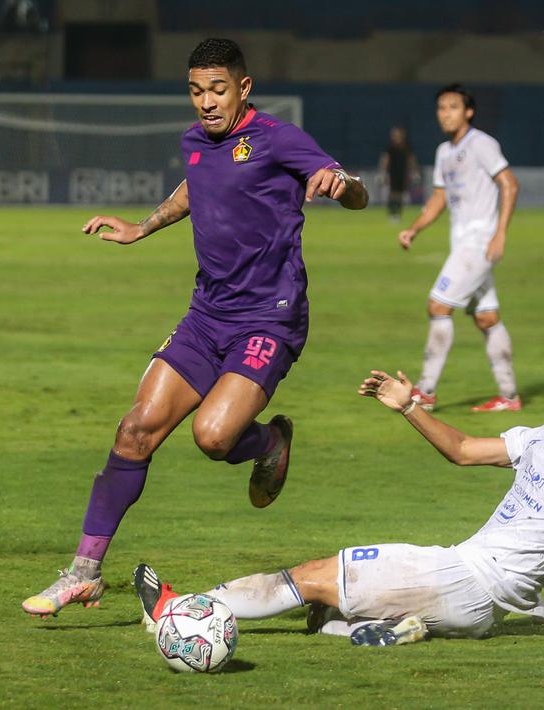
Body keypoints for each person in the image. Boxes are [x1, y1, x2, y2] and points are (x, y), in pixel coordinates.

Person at [21, 38, 368, 618]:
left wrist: (343, 185)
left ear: (243, 88)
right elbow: (195, 186)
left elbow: (351, 189)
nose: (206, 102)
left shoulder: (278, 138)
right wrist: (141, 226)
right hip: (206, 316)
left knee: (213, 437)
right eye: (196, 90)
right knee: (134, 431)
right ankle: (82, 573)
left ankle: (270, 441)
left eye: (218, 89)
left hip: (269, 318)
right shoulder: (195, 143)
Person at [134, 340, 544, 651]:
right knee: (321, 607)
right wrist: (410, 406)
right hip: (467, 582)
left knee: (318, 573)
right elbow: (463, 449)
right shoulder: (539, 440)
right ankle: (379, 628)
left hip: (469, 581)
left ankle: (179, 610)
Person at [398, 84, 522, 413]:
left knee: (438, 306)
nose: (445, 113)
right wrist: (415, 228)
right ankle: (509, 397)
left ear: (468, 111)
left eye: (452, 107)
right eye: (441, 108)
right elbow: (439, 198)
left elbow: (509, 183)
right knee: (486, 317)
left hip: (479, 241)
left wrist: (500, 234)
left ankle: (425, 391)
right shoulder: (443, 152)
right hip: (465, 242)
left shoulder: (481, 143)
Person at [378, 126, 418, 223]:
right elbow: (385, 160)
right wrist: (382, 173)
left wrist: (414, 172)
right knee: (392, 194)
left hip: (402, 173)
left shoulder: (406, 147)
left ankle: (398, 214)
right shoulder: (390, 148)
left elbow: (411, 160)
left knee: (400, 195)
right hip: (392, 173)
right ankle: (392, 213)